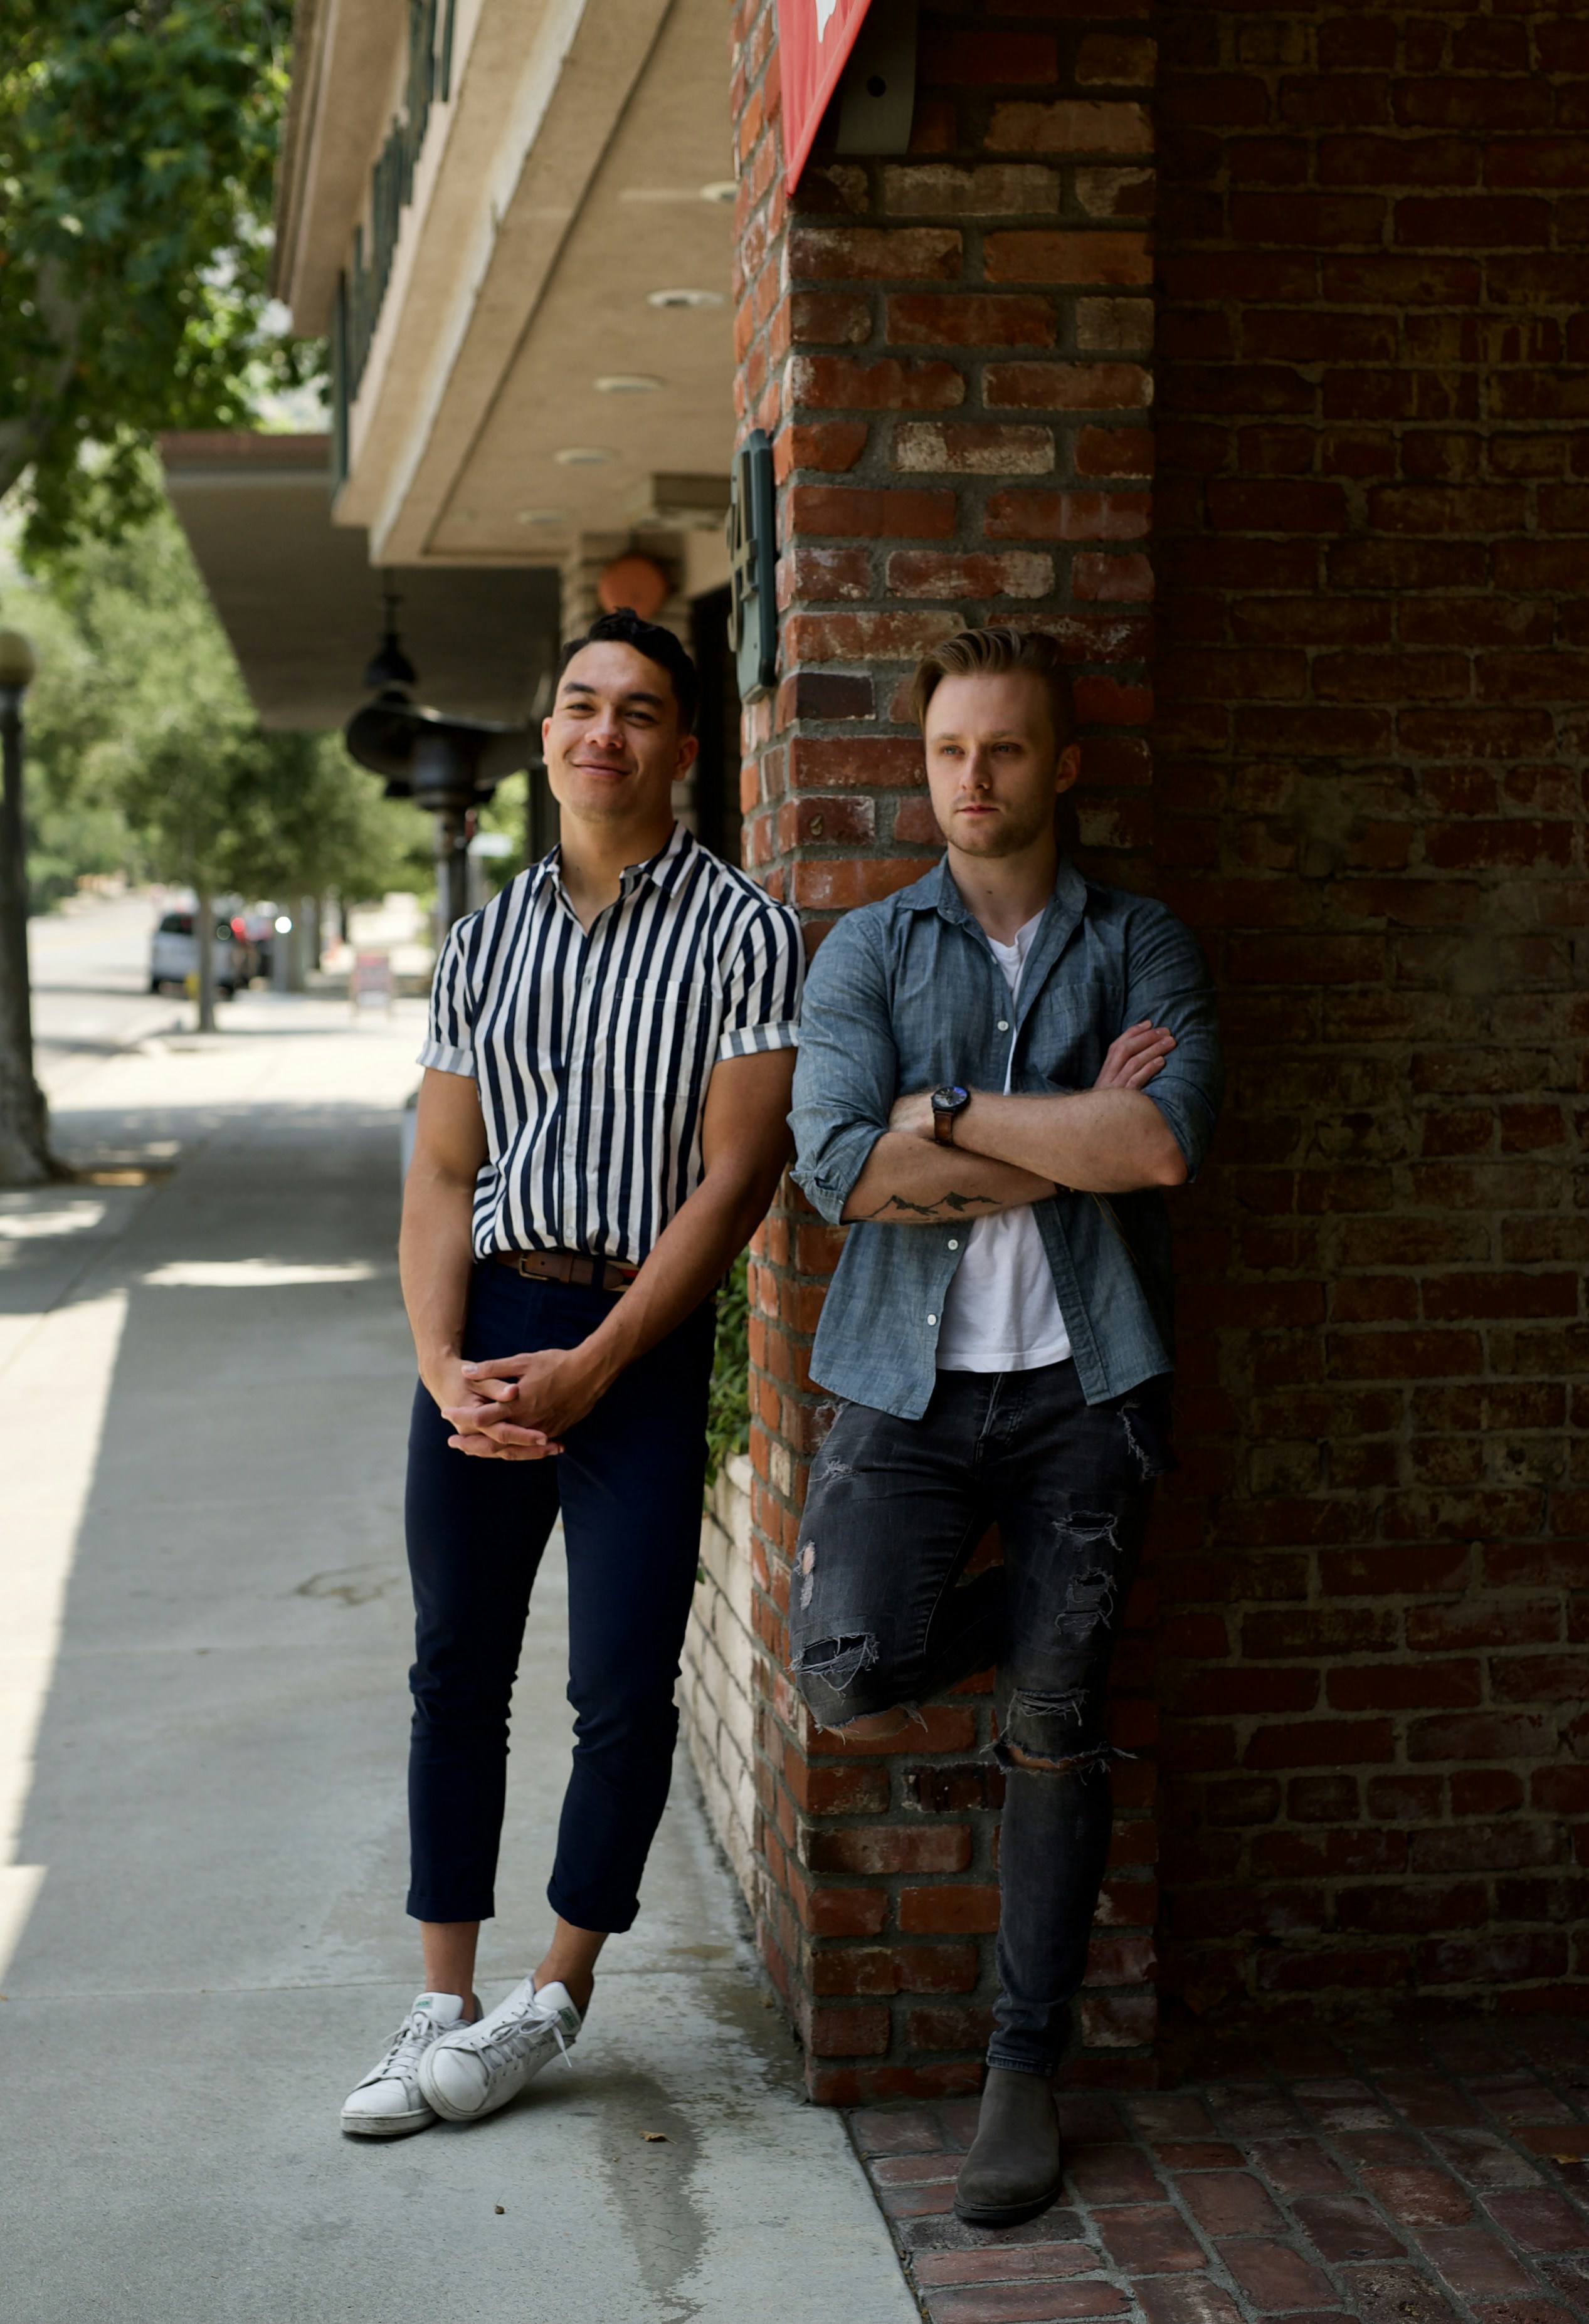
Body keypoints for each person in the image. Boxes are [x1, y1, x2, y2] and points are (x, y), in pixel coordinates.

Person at [341, 609, 803, 2138]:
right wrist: (438, 1357)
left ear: (683, 746)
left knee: (619, 1685)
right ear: (547, 735)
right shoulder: (483, 941)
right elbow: (440, 1166)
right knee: (453, 1668)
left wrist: (602, 1364)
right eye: (579, 706)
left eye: (639, 710)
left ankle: (554, 1995)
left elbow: (735, 1181)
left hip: (640, 1340)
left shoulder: (743, 931)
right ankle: (440, 2001)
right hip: (480, 1333)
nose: (603, 732)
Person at [788, 624, 1222, 2227]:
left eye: (1006, 751)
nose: (972, 781)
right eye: (949, 752)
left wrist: (946, 1113)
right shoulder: (863, 954)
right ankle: (1043, 1631)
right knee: (843, 1675)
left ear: (1063, 766)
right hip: (903, 1390)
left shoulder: (1142, 944)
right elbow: (837, 1169)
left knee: (1055, 1722)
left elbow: (1162, 1148)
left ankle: (1019, 2073)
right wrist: (1067, 1140)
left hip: (1081, 1392)